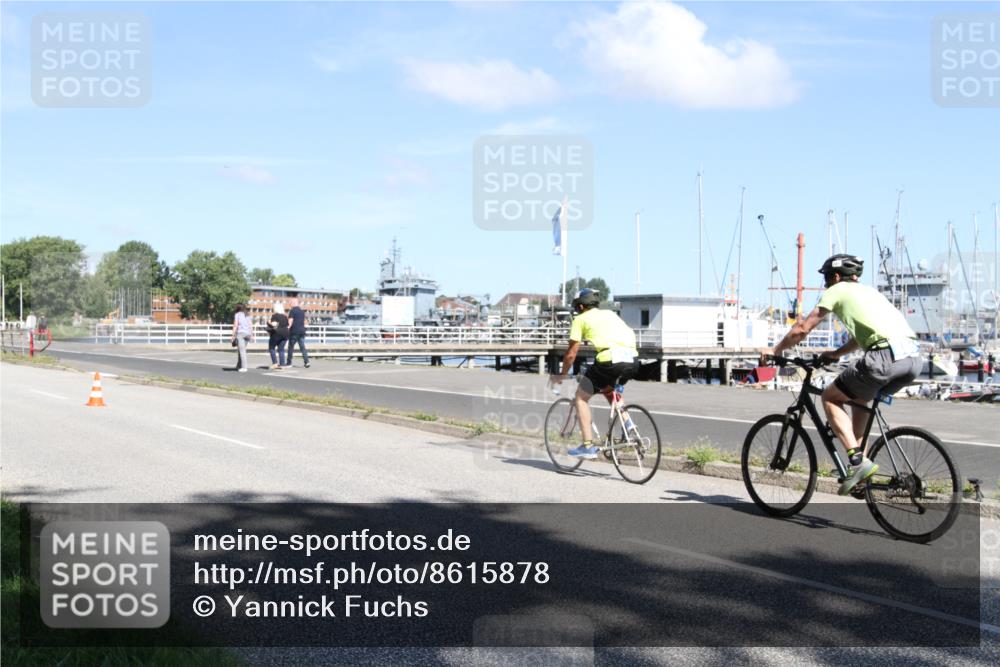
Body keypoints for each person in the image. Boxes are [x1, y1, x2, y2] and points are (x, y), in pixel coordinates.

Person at [768, 254, 921, 495]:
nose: (826, 284)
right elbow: (862, 337)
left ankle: (858, 463)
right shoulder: (870, 292)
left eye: (827, 278)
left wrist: (775, 350)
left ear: (837, 276)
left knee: (830, 397)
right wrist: (837, 353)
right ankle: (860, 470)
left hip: (884, 357)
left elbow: (803, 328)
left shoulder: (837, 291)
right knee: (859, 399)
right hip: (913, 359)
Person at [550, 288, 639, 459]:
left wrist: (562, 375)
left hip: (610, 359)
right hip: (632, 359)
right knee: (609, 389)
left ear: (580, 306)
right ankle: (628, 424)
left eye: (576, 307)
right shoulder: (610, 314)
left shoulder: (580, 319)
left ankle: (587, 446)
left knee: (580, 398)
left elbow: (571, 354)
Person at [286, 296, 310, 368]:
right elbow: (305, 322)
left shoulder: (292, 311)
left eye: (290, 303)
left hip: (294, 332)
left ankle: (289, 362)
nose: (289, 304)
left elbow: (290, 322)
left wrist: (286, 328)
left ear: (294, 303)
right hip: (302, 331)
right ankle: (307, 362)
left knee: (291, 347)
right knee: (302, 347)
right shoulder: (302, 311)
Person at [230, 304, 254, 372]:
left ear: (237, 308)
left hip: (241, 334)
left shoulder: (237, 314)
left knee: (242, 351)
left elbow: (235, 325)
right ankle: (239, 365)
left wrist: (233, 335)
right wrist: (251, 335)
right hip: (247, 334)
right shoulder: (247, 314)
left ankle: (244, 367)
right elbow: (250, 325)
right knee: (241, 350)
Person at [266, 302, 289, 370]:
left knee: (271, 347)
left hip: (277, 334)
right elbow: (287, 325)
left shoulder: (275, 316)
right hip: (286, 334)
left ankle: (275, 364)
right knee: (281, 349)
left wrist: (268, 322)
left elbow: (274, 324)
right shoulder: (285, 316)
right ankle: (282, 364)